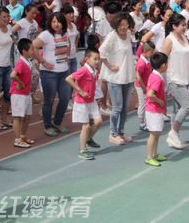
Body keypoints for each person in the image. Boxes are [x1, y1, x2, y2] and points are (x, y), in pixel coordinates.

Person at [161, 13, 189, 149]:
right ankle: (173, 132)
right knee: (187, 105)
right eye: (182, 25)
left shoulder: (184, 38)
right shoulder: (169, 40)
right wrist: (167, 84)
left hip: (185, 78)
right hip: (174, 79)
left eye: (185, 25)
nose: (184, 27)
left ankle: (175, 137)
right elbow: (162, 62)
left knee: (176, 109)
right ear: (174, 26)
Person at [99, 12, 136, 145]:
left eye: (126, 25)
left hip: (127, 76)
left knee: (125, 108)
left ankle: (120, 131)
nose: (123, 27)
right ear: (116, 25)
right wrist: (110, 65)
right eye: (121, 25)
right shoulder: (112, 36)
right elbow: (101, 51)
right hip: (115, 78)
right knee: (117, 108)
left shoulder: (127, 35)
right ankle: (113, 133)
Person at [33, 12, 71, 137]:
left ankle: (57, 122)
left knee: (65, 99)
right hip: (49, 74)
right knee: (49, 101)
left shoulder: (65, 33)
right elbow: (33, 47)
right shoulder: (46, 34)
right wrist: (42, 61)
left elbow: (69, 44)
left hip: (64, 72)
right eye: (53, 21)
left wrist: (67, 57)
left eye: (59, 21)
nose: (56, 24)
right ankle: (47, 126)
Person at [66, 48, 103, 160]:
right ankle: (82, 150)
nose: (97, 61)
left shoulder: (94, 70)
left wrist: (97, 96)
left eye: (98, 59)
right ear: (87, 59)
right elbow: (69, 79)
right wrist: (80, 90)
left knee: (98, 121)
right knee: (86, 126)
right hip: (82, 102)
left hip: (91, 101)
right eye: (94, 59)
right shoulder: (84, 70)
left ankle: (88, 139)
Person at [144, 52, 169, 167]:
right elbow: (150, 94)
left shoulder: (154, 75)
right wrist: (160, 101)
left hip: (155, 110)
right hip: (153, 110)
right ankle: (149, 157)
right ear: (163, 65)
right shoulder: (157, 79)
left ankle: (154, 154)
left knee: (157, 133)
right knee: (153, 134)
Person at [10, 38, 35, 149]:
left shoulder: (28, 62)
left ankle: (23, 135)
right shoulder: (21, 63)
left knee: (27, 116)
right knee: (18, 117)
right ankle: (17, 139)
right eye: (32, 49)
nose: (34, 51)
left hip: (26, 94)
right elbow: (13, 75)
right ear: (24, 51)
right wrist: (20, 82)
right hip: (18, 95)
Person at [135, 41, 155, 132]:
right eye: (151, 52)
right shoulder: (142, 62)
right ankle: (141, 123)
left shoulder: (147, 60)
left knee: (147, 102)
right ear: (145, 51)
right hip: (141, 86)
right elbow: (138, 76)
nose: (152, 54)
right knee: (142, 103)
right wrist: (143, 87)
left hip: (146, 85)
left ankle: (147, 121)